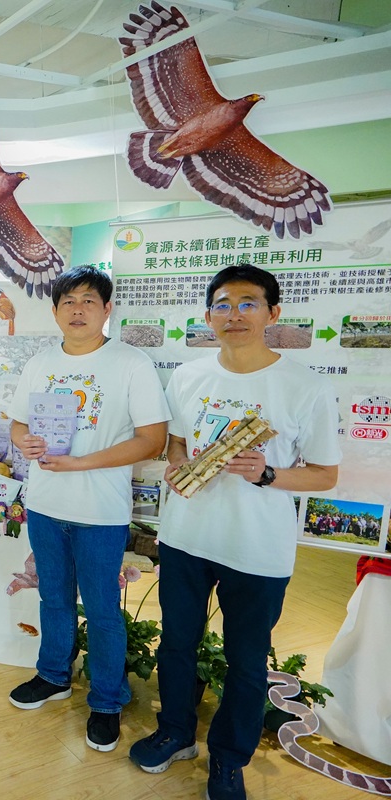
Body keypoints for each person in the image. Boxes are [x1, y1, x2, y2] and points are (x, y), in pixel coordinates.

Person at [129, 264, 341, 800]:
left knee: (247, 662)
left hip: (257, 548)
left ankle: (228, 759)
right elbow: (178, 443)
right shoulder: (189, 376)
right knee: (177, 643)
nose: (235, 315)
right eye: (223, 305)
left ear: (273, 313)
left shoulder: (306, 386)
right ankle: (176, 732)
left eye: (248, 303)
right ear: (208, 317)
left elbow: (325, 474)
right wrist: (178, 464)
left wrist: (268, 474)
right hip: (186, 537)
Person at [7, 265, 170, 753]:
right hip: (45, 505)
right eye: (68, 302)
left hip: (101, 511)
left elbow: (153, 440)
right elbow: (17, 423)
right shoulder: (40, 363)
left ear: (107, 309)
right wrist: (25, 441)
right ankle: (53, 675)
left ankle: (106, 700)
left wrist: (81, 463)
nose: (77, 310)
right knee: (53, 598)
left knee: (101, 610)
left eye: (88, 301)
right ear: (55, 310)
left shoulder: (131, 363)